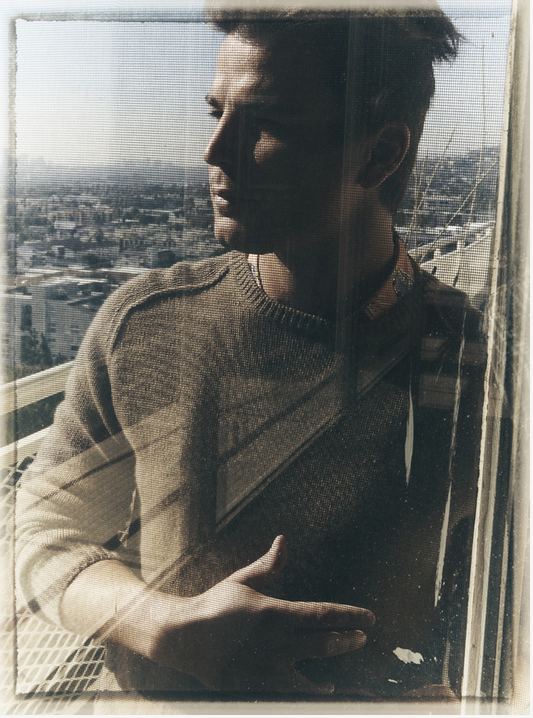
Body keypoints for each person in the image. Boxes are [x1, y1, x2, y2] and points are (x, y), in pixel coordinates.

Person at [16, 2, 486, 708]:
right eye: (217, 113)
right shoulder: (144, 324)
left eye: (267, 121)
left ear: (380, 153)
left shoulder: (480, 360)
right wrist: (162, 627)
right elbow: (42, 533)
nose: (215, 152)